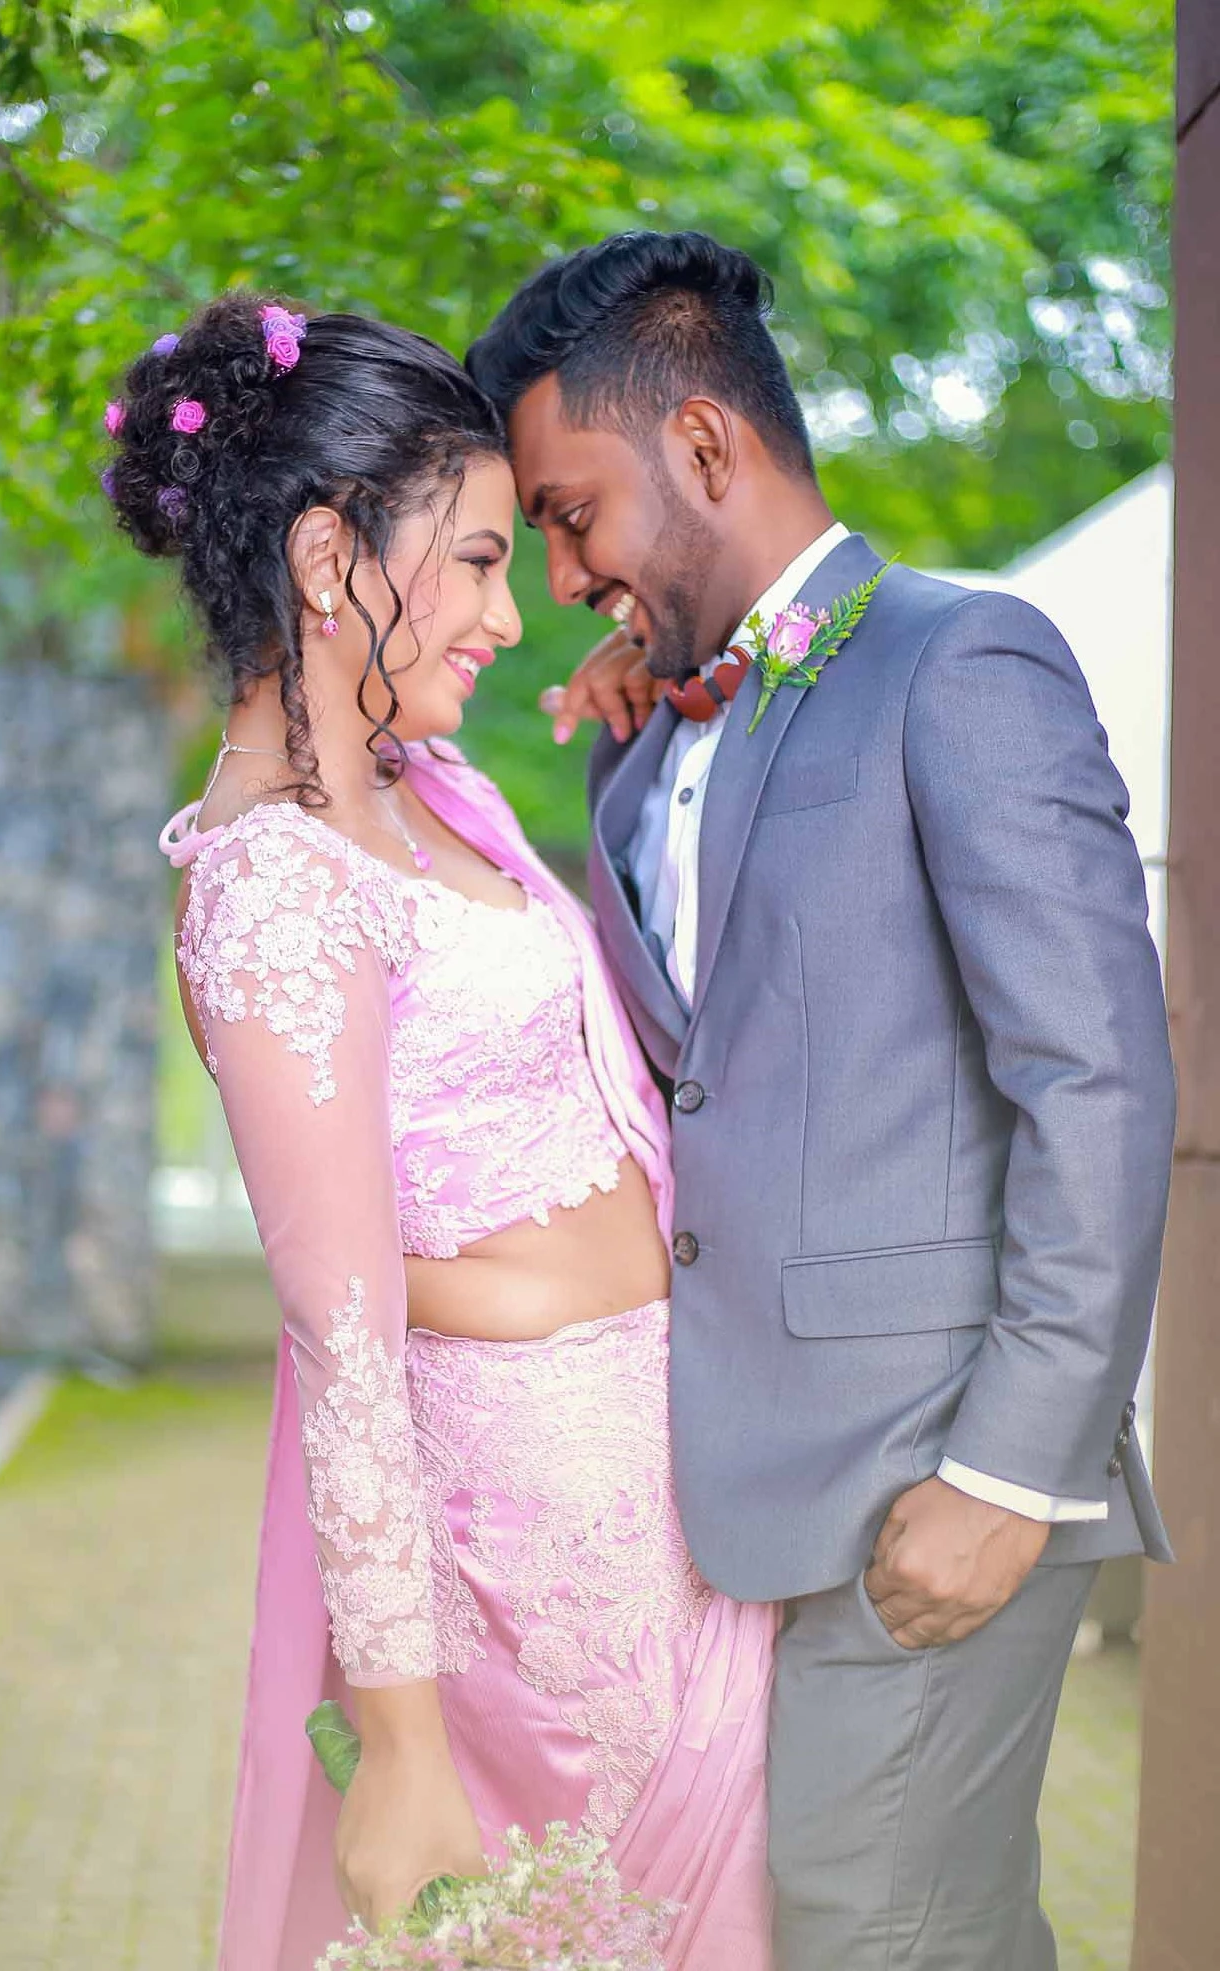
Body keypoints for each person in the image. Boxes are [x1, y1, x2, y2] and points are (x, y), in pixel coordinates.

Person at [465, 229, 1177, 1971]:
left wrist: (1014, 1469)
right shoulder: (642, 742)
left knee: (880, 1936)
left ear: (705, 447)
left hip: (932, 1483)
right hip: (718, 1499)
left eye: (569, 513)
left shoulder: (964, 662)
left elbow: (1096, 1075)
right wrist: (627, 756)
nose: (559, 573)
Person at [102, 292, 777, 1971]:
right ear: (331, 561)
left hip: (680, 1503)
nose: (508, 611)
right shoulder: (270, 880)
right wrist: (397, 1746)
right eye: (475, 561)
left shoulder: (426, 796)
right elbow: (340, 1336)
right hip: (534, 1574)